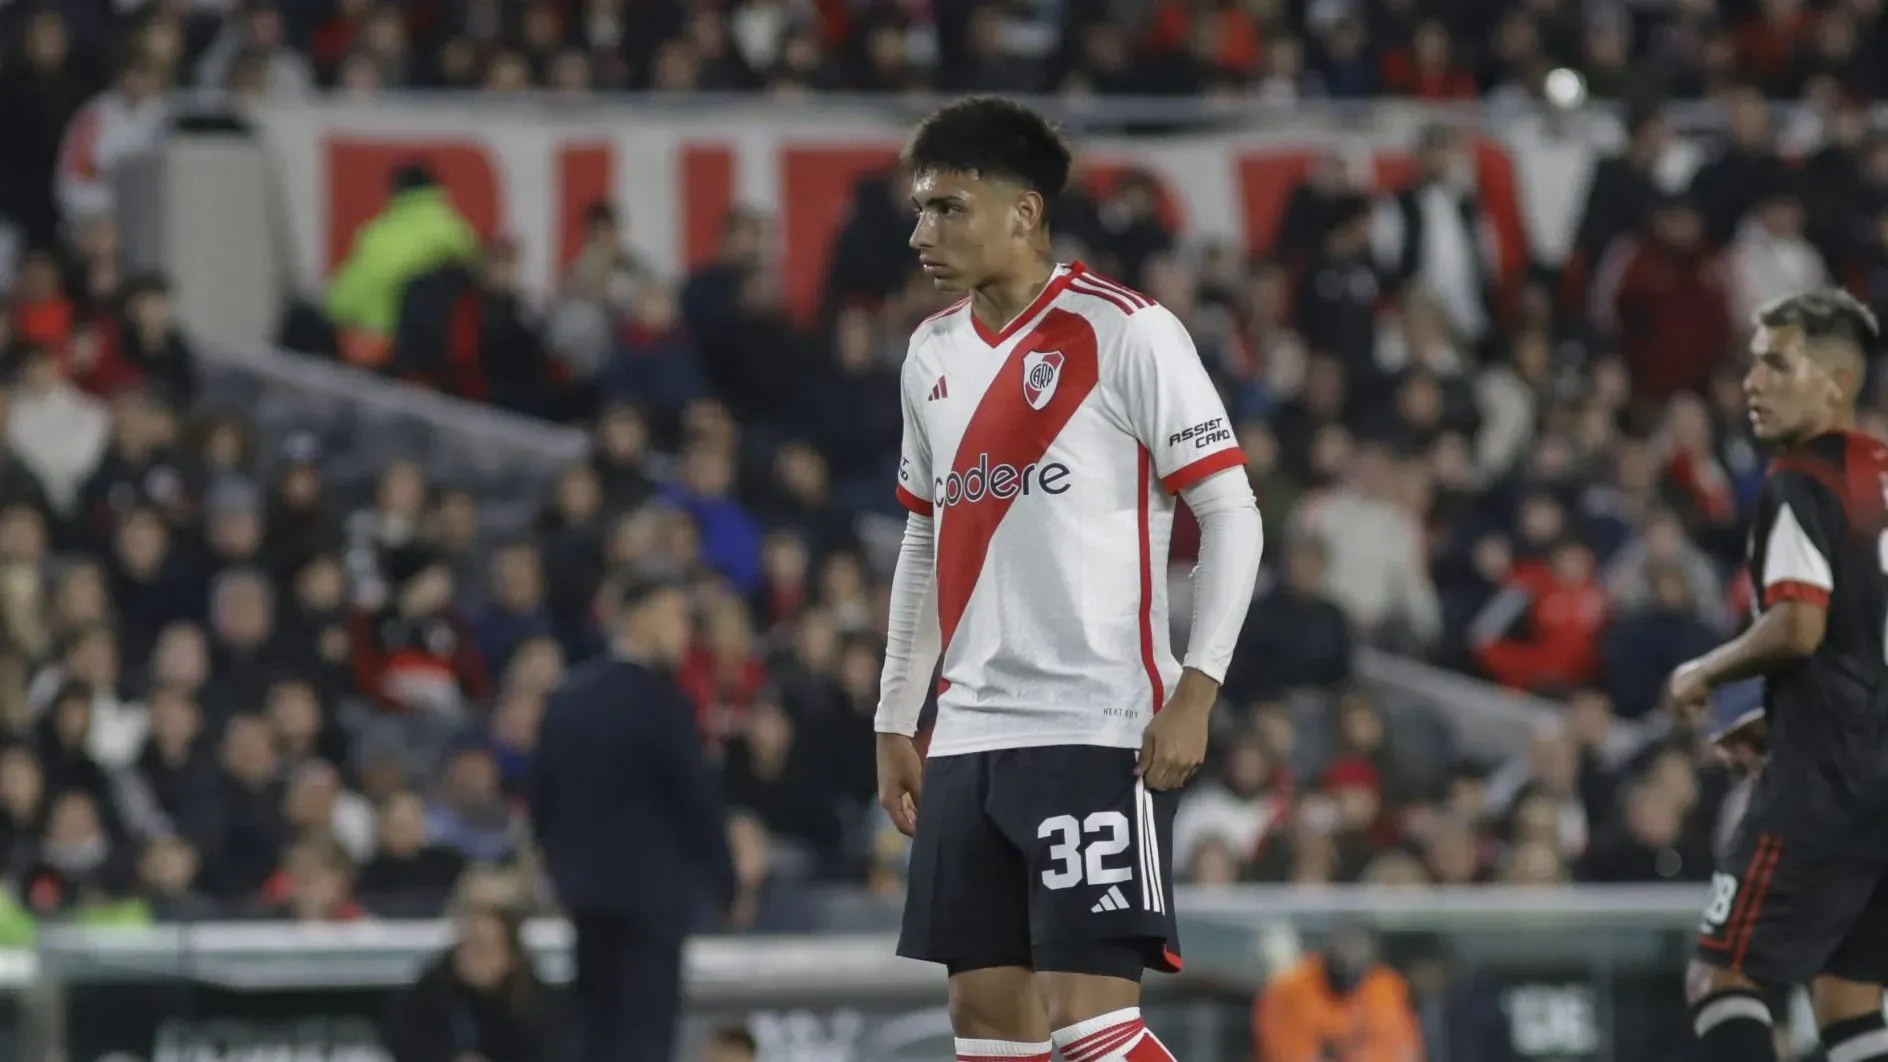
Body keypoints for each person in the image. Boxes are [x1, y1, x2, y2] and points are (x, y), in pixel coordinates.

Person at [875, 97, 1264, 1062]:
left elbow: (1232, 511)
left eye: (949, 208)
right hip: (967, 736)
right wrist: (894, 714)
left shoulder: (1127, 333)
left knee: (1093, 1027)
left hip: (1095, 724)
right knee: (989, 1035)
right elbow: (923, 544)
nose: (924, 233)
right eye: (920, 210)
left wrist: (1197, 689)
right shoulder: (929, 355)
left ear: (1025, 212)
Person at [1666, 289, 1888, 1062]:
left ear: (1834, 381)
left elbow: (1801, 623)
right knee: (1849, 995)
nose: (1751, 383)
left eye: (1774, 363)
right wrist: (1786, 713)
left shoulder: (1802, 479)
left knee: (1722, 975)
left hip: (1826, 788)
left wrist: (1705, 669)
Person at [526, 573, 736, 1062]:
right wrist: (725, 884)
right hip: (651, 904)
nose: (684, 634)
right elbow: (697, 802)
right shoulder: (664, 703)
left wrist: (560, 871)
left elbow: (540, 800)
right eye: (676, 619)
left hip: (584, 899)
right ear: (642, 618)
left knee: (595, 1034)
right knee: (643, 1038)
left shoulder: (568, 697)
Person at [1251, 924, 1423, 1062]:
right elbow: (1283, 1054)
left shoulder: (1386, 986)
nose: (1351, 958)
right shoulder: (1289, 989)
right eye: (1345, 949)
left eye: (1358, 950)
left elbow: (1404, 1050)